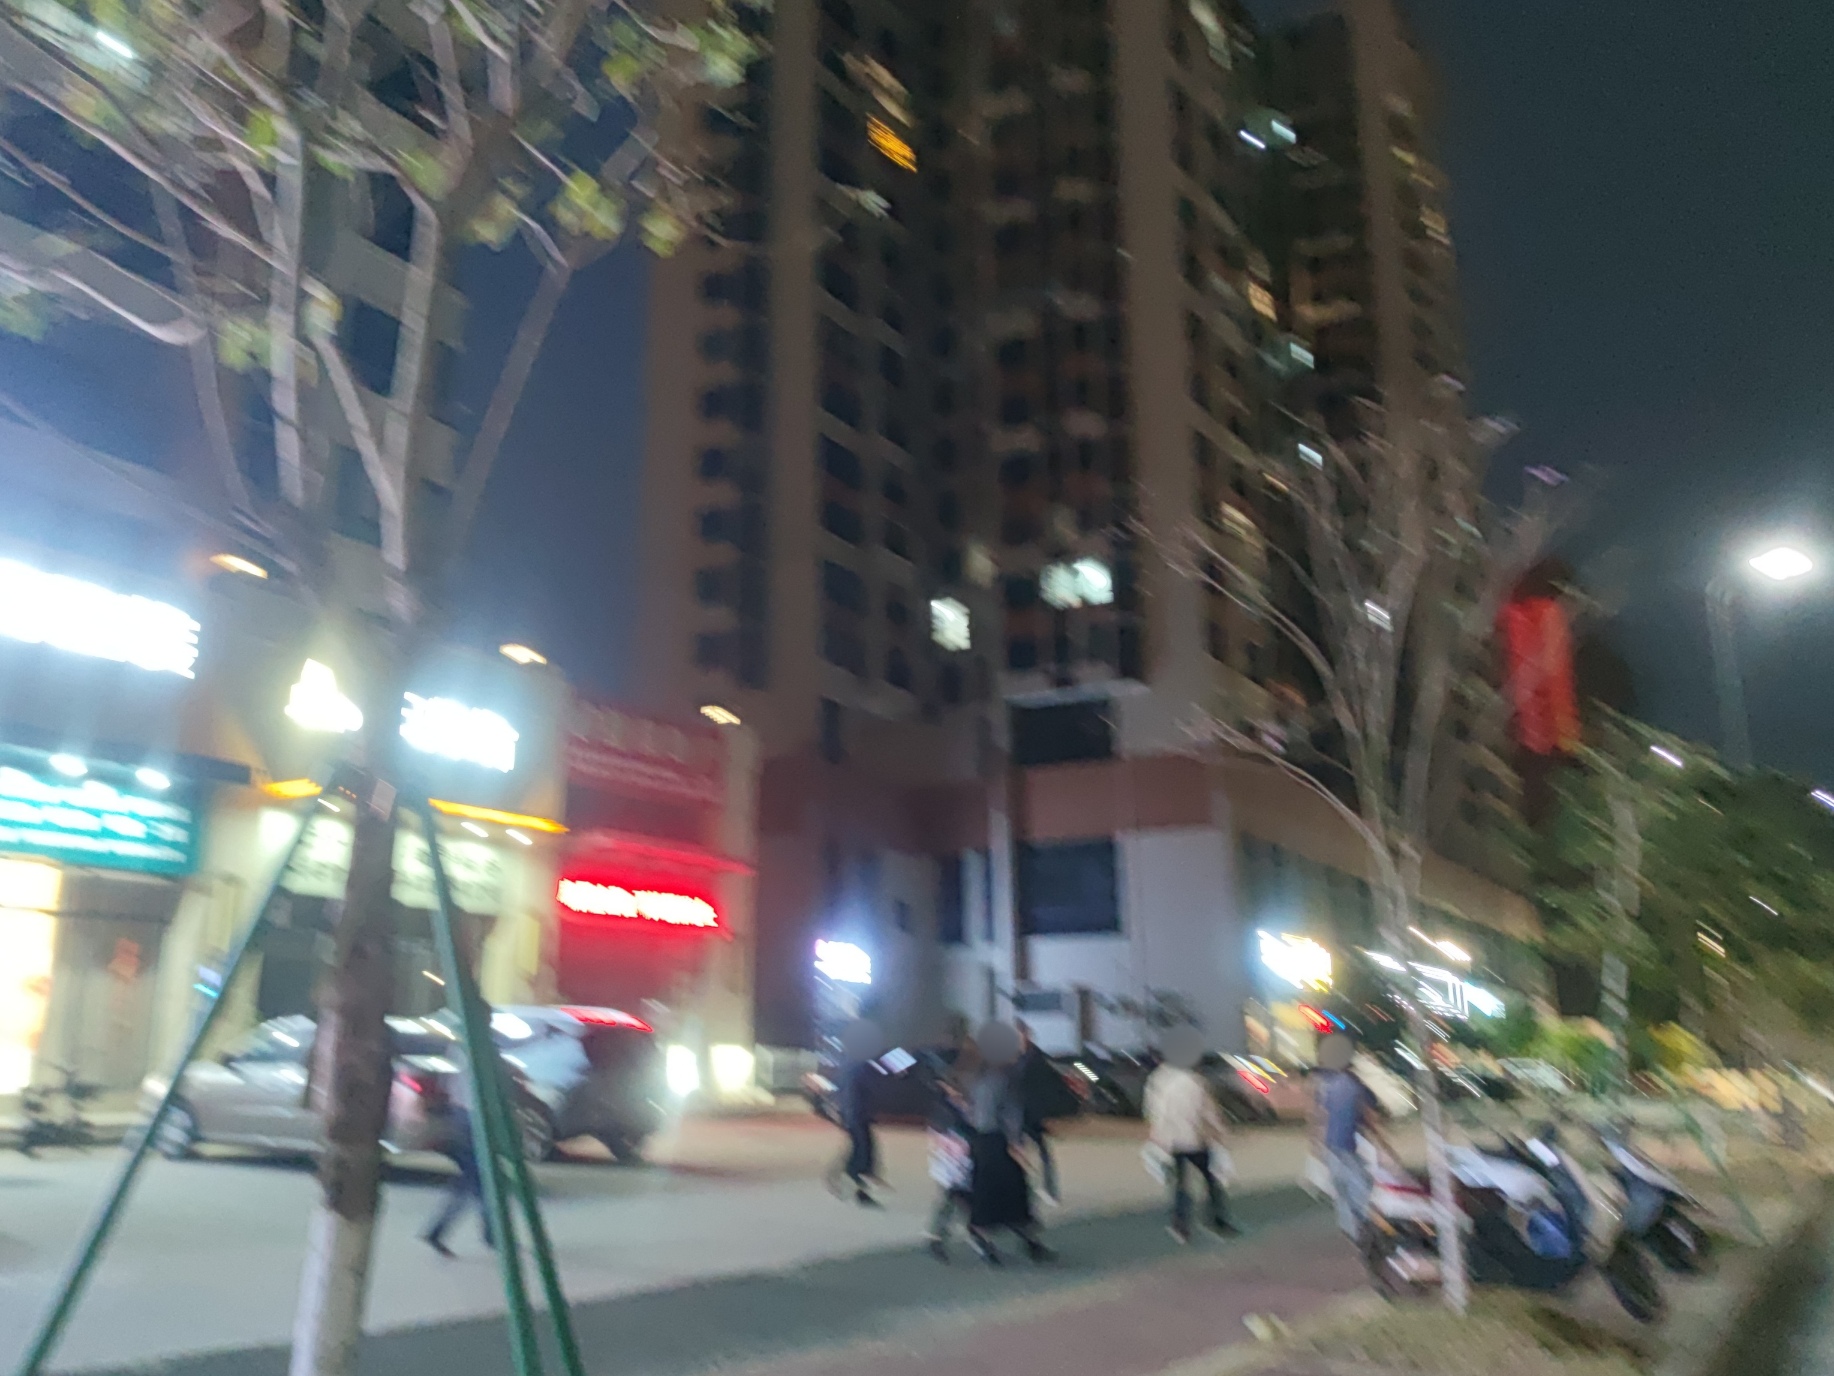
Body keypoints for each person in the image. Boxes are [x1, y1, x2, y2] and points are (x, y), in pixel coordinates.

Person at [962, 1021, 1055, 1265]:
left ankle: (994, 1238)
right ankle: (1015, 1239)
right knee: (1009, 1191)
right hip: (997, 1139)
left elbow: (975, 1109)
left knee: (992, 1192)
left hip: (982, 1139)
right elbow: (1007, 1111)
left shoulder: (979, 1072)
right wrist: (1015, 1141)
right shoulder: (1003, 1075)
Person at [1142, 1027, 1238, 1243]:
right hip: (1195, 1139)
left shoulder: (1159, 1079)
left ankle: (1181, 1225)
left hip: (1171, 1140)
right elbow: (1208, 1111)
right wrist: (1221, 1132)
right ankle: (1217, 1221)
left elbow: (1153, 1110)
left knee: (1180, 1184)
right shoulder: (1196, 1081)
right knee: (1211, 1180)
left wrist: (1156, 1135)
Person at [1310, 1032, 1382, 1242]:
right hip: (1348, 1143)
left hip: (1332, 1143)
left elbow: (1319, 1114)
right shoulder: (1353, 1083)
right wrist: (1381, 1143)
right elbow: (1369, 1114)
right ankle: (1362, 1228)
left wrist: (1316, 1142)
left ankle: (1350, 1228)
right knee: (1360, 1185)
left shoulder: (1327, 1083)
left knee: (1342, 1186)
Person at [422, 1079, 496, 1257]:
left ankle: (438, 1232)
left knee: (472, 1191)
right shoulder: (454, 1114)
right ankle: (491, 1235)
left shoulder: (451, 1112)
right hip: (468, 1143)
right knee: (480, 1191)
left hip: (465, 1143)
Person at [1013, 1020, 1069, 1204]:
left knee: (1041, 1151)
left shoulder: (1036, 1058)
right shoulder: (1016, 1057)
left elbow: (1047, 1087)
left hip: (1031, 1113)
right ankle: (1026, 1189)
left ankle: (1049, 1189)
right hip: (1016, 1112)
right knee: (1019, 1151)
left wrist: (1048, 1112)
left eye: (1021, 1035)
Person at [924, 1077, 974, 1261]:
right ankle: (937, 1237)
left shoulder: (950, 1107)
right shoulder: (946, 1110)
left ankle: (938, 1237)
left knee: (954, 1200)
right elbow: (950, 1135)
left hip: (953, 1163)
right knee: (954, 1199)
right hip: (953, 1164)